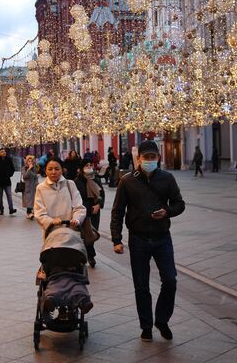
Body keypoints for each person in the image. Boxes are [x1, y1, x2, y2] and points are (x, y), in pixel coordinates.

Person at [111, 140, 185, 342]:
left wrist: (167, 212)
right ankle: (146, 326)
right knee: (141, 286)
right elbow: (117, 211)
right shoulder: (127, 181)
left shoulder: (167, 178)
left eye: (154, 157)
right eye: (147, 157)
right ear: (139, 159)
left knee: (170, 280)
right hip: (138, 239)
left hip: (162, 238)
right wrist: (116, 239)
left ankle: (162, 320)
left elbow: (180, 204)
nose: (150, 160)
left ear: (158, 158)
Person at [33, 157, 92, 313]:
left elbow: (80, 207)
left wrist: (76, 219)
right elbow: (39, 213)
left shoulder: (70, 184)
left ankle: (75, 300)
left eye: (57, 168)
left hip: (71, 234)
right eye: (50, 169)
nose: (53, 172)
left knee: (73, 266)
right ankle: (52, 297)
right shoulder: (41, 188)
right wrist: (51, 221)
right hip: (52, 235)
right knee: (53, 265)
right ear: (45, 170)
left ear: (62, 169)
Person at [74, 159, 104, 267]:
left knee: (93, 232)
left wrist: (98, 204)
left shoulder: (95, 179)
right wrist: (88, 208)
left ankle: (88, 255)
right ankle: (90, 256)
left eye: (90, 165)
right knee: (87, 233)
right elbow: (77, 199)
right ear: (82, 168)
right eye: (86, 165)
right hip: (84, 211)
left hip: (95, 211)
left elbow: (101, 193)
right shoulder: (77, 181)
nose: (89, 167)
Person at [0, 148, 17, 215]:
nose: (4, 152)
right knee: (0, 197)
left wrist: (9, 175)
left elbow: (12, 169)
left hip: (7, 181)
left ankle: (11, 209)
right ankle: (1, 210)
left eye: (4, 151)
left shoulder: (9, 160)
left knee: (9, 195)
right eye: (2, 152)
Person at [21, 155, 40, 219]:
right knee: (28, 200)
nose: (30, 162)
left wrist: (37, 184)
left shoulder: (34, 168)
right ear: (26, 161)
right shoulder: (24, 168)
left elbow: (35, 177)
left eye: (31, 161)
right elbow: (25, 176)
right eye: (29, 161)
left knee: (33, 200)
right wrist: (29, 169)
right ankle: (29, 213)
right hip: (27, 186)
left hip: (33, 186)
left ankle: (31, 212)